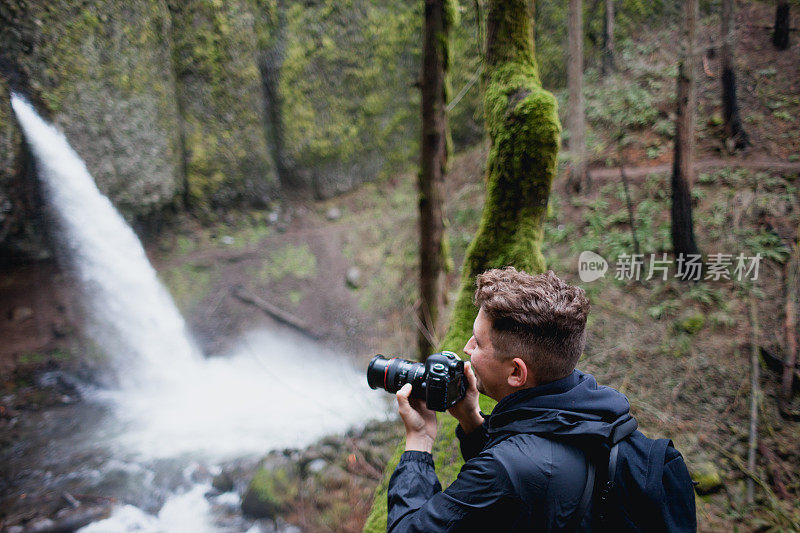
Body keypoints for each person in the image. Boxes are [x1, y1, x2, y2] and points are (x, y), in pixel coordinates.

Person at [387, 267, 641, 532]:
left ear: (516, 372)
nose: (467, 347)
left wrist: (419, 443)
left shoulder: (502, 471)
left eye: (479, 342)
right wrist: (472, 421)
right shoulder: (596, 420)